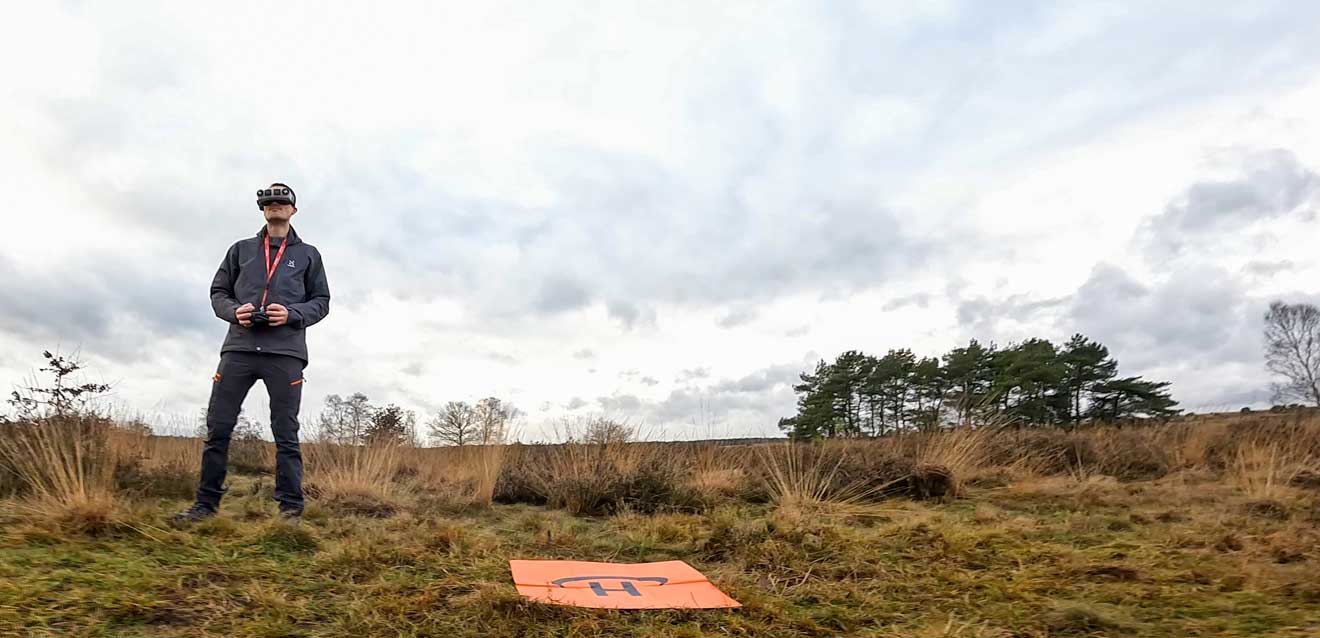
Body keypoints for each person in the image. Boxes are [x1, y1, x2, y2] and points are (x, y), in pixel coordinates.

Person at [174, 182, 331, 525]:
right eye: (270, 201)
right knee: (218, 429)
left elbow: (322, 302)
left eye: (283, 201)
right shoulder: (240, 250)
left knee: (286, 434)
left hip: (286, 352)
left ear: (293, 210)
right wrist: (234, 311)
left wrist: (292, 314)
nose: (276, 205)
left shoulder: (309, 255)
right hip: (240, 348)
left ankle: (290, 511)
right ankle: (205, 508)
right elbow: (218, 291)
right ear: (263, 209)